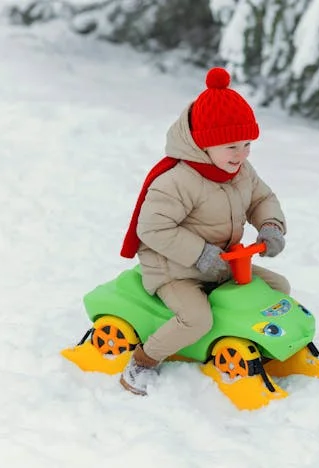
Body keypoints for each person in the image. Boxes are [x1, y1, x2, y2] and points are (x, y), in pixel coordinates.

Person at [117, 67, 290, 396]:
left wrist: (270, 225)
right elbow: (153, 227)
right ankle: (142, 362)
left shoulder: (239, 170)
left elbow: (261, 198)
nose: (241, 155)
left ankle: (254, 343)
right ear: (203, 144)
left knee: (278, 287)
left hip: (222, 263)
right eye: (231, 147)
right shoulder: (176, 181)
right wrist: (200, 254)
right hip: (174, 269)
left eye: (247, 145)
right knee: (196, 318)